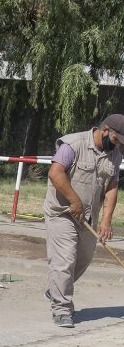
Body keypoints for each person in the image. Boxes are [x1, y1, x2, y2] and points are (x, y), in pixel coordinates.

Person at [43, 115, 123, 328]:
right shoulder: (73, 144)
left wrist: (106, 220)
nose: (117, 145)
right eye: (116, 140)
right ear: (105, 130)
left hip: (88, 216)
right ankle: (62, 309)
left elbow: (112, 187)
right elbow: (55, 173)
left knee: (84, 258)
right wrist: (74, 200)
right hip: (62, 212)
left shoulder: (115, 155)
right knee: (65, 260)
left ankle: (56, 289)